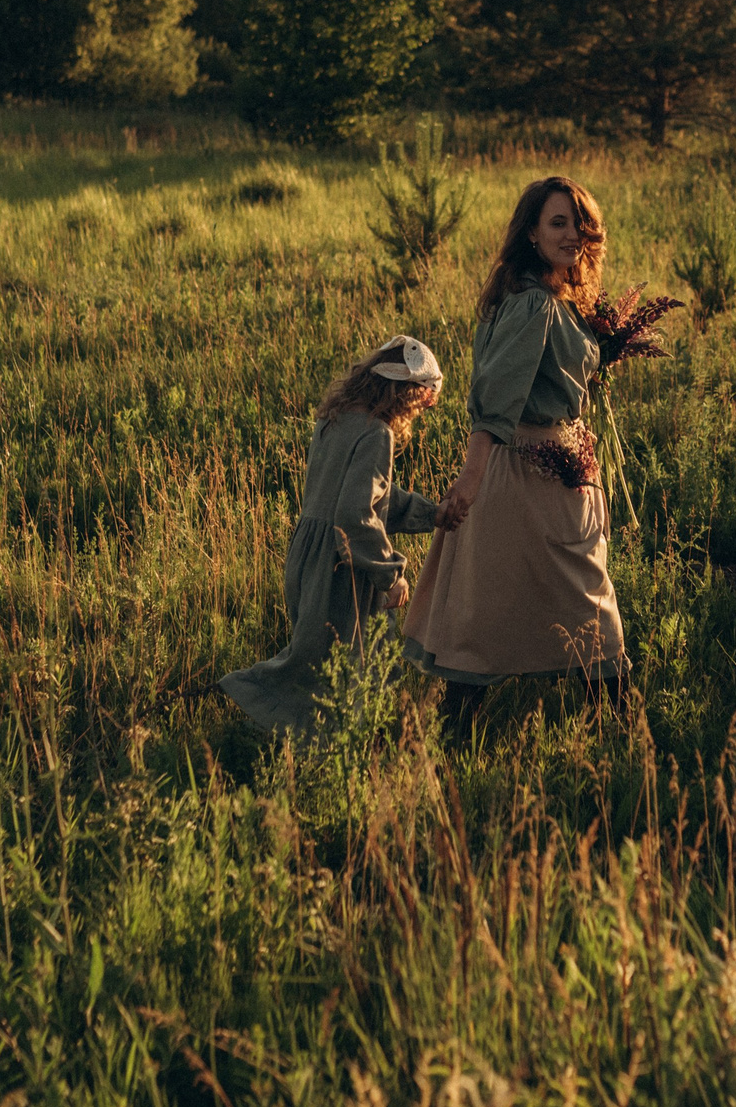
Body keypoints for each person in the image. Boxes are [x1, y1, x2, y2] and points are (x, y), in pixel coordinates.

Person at [403, 176, 629, 715]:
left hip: (552, 470)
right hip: (525, 473)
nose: (572, 234)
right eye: (558, 223)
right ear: (532, 232)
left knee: (503, 606)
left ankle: (608, 726)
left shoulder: (553, 296)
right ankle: (617, 725)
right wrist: (470, 479)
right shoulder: (533, 303)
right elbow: (497, 399)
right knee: (566, 607)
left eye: (579, 223)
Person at [220, 335, 455, 735]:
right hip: (341, 570)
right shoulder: (378, 434)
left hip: (308, 557)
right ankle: (252, 702)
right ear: (404, 390)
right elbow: (355, 515)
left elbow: (371, 496)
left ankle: (312, 742)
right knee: (341, 673)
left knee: (321, 664)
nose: (424, 407)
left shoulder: (334, 421)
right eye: (425, 396)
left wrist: (431, 514)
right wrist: (391, 574)